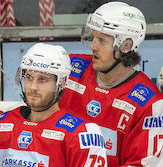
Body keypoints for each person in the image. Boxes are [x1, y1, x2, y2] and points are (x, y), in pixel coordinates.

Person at [0, 43, 108, 166]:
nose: (33, 87)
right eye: (29, 77)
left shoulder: (83, 134)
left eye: (43, 79)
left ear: (61, 83)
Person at [58, 2, 163, 166]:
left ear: (126, 46)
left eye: (102, 40)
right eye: (93, 37)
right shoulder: (70, 68)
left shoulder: (150, 104)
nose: (93, 46)